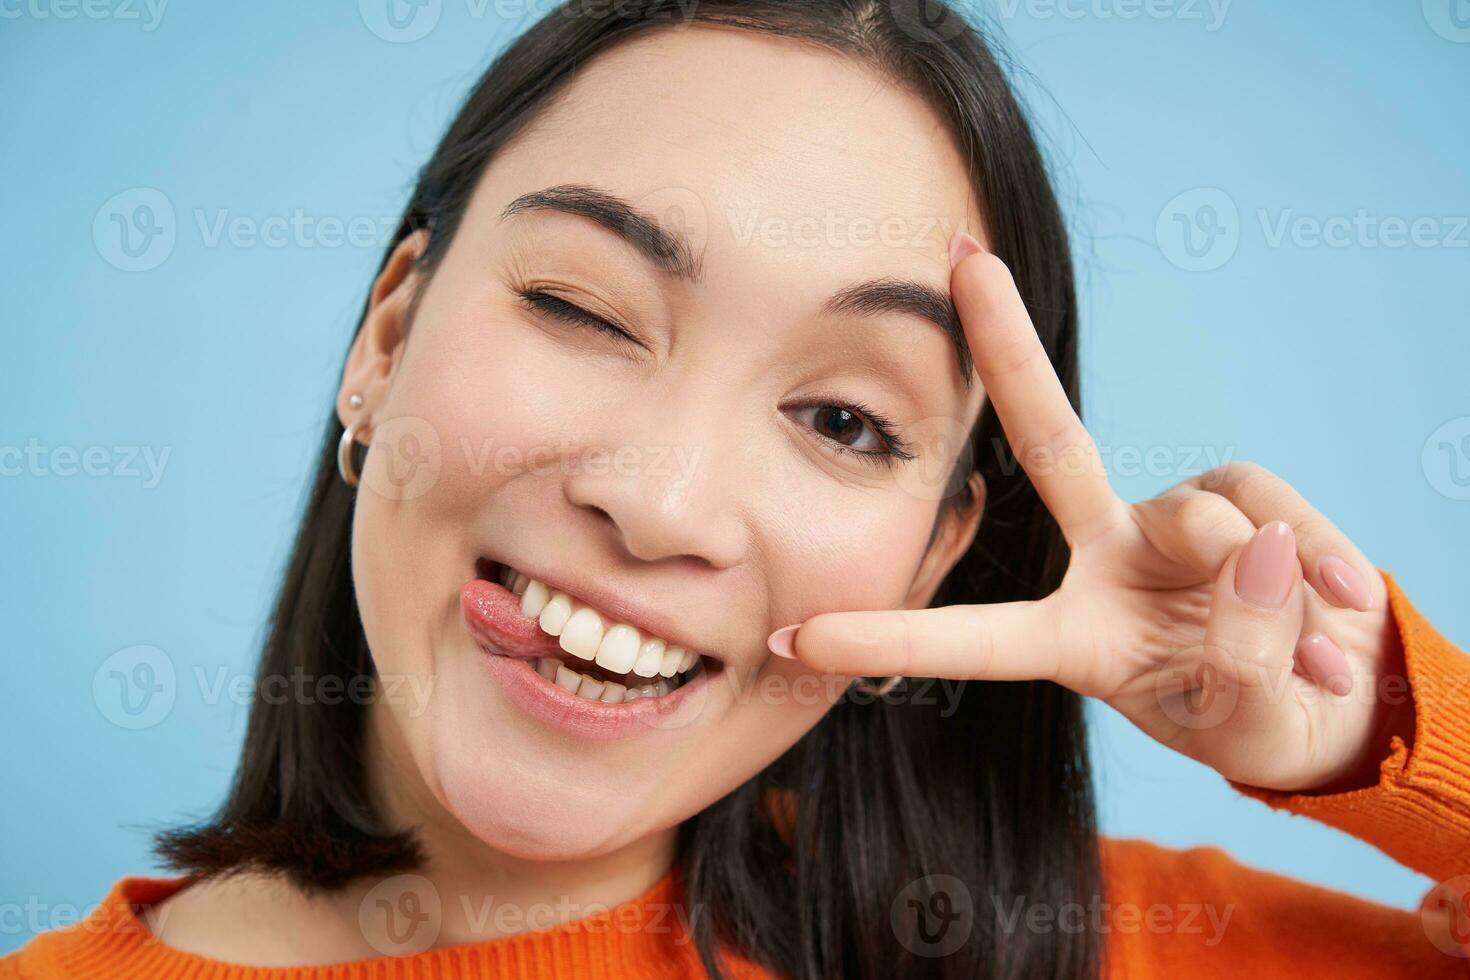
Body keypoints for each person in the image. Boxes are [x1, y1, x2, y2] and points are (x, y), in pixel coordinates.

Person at [7, 2, 1465, 977]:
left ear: (935, 554)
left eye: (843, 417)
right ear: (386, 337)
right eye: (582, 307)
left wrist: (1378, 731)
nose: (661, 505)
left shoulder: (1109, 948)